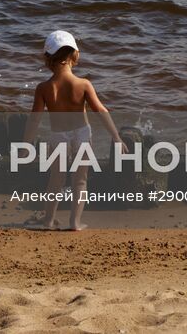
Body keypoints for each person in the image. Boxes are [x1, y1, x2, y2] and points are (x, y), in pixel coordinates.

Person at [22, 30, 124, 230]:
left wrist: (26, 145)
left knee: (56, 180)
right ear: (75, 55)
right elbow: (101, 111)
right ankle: (75, 222)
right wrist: (117, 137)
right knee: (80, 180)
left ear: (48, 58)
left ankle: (49, 221)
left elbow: (34, 120)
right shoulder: (83, 84)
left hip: (58, 136)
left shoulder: (44, 88)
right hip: (82, 134)